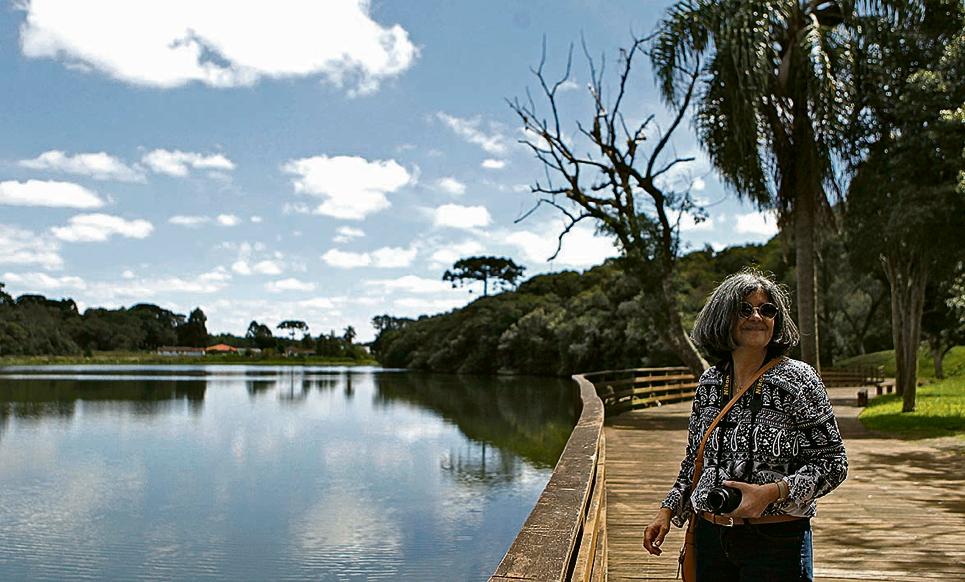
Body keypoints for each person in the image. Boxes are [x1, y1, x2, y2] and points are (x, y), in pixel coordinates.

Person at [642, 268, 848, 581]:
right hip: (711, 538)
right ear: (723, 317)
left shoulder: (799, 380)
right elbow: (694, 460)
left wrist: (771, 492)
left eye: (767, 310)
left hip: (777, 540)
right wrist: (667, 510)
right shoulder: (710, 383)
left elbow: (833, 464)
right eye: (744, 309)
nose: (757, 316)